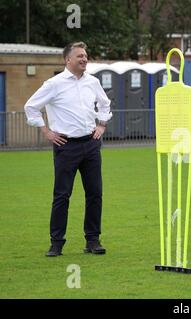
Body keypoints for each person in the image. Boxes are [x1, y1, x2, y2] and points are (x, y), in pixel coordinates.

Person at [24, 42, 112, 257]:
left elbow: (105, 103)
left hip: (91, 145)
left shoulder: (93, 82)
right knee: (62, 195)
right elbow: (31, 107)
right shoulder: (54, 84)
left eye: (86, 55)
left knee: (95, 194)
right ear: (68, 60)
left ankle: (93, 241)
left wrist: (101, 124)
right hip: (66, 146)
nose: (84, 59)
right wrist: (46, 131)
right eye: (80, 56)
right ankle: (56, 243)